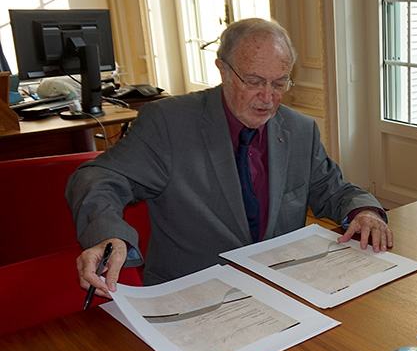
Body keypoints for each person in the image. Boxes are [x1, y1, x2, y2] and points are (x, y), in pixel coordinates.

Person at [67, 18, 391, 298]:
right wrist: (109, 235)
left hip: (281, 291)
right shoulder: (169, 123)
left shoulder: (299, 130)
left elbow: (332, 190)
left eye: (279, 83)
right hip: (191, 295)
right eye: (253, 82)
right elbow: (96, 177)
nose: (267, 97)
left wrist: (365, 211)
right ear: (223, 69)